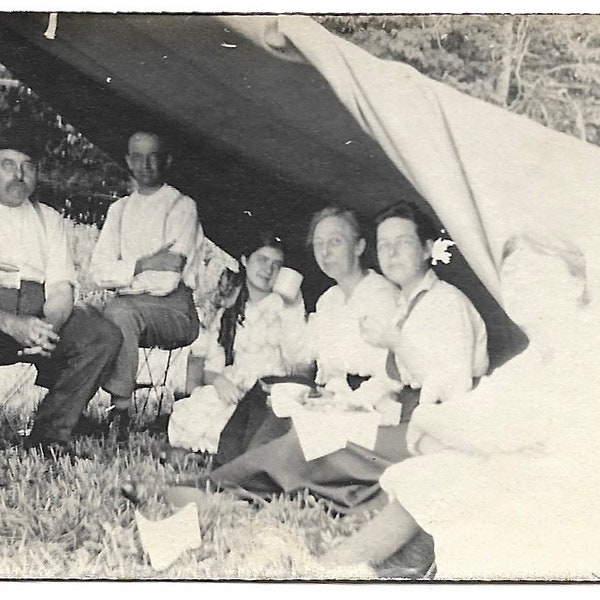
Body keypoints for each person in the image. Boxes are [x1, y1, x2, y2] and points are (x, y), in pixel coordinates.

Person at [320, 231, 600, 580]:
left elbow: (494, 425)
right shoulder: (534, 356)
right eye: (512, 279)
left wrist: (430, 422)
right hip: (518, 465)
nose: (522, 287)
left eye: (536, 274)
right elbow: (481, 412)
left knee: (454, 473)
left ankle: (344, 568)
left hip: (575, 496)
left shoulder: (583, 351)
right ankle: (347, 567)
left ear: (575, 284)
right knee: (444, 467)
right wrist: (441, 427)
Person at [208, 205, 406, 512]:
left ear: (359, 246)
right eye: (318, 244)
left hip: (370, 405)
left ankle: (231, 487)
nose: (325, 252)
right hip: (331, 399)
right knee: (269, 390)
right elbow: (301, 359)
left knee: (283, 430)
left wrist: (349, 401)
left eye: (335, 241)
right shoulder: (329, 301)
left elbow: (394, 372)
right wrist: (289, 309)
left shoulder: (383, 295)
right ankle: (229, 474)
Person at [0, 124, 123, 455]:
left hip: (37, 317)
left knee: (100, 334)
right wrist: (10, 322)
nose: (18, 175)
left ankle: (49, 435)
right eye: (8, 165)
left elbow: (61, 287)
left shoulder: (49, 219)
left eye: (27, 167)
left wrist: (48, 330)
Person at [90, 131, 200, 442]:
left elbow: (166, 281)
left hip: (176, 313)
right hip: (127, 307)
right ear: (127, 161)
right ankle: (69, 409)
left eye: (153, 156)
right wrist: (143, 265)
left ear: (166, 160)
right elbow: (97, 272)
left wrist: (123, 272)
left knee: (119, 311)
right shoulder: (120, 210)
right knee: (84, 317)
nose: (146, 164)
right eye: (137, 157)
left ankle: (120, 413)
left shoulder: (181, 206)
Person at [167, 229, 308, 455]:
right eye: (262, 260)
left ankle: (233, 446)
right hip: (236, 389)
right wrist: (220, 381)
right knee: (191, 411)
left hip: (269, 390)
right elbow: (211, 368)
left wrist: (292, 308)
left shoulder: (285, 305)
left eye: (277, 264)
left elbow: (298, 362)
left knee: (258, 425)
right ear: (244, 260)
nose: (268, 269)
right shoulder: (231, 310)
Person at [361, 201, 489, 420]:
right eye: (383, 245)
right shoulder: (404, 305)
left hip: (452, 421)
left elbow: (454, 391)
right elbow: (391, 378)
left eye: (403, 242)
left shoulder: (448, 302)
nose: (391, 253)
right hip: (413, 413)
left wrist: (398, 343)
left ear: (427, 249)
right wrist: (350, 401)